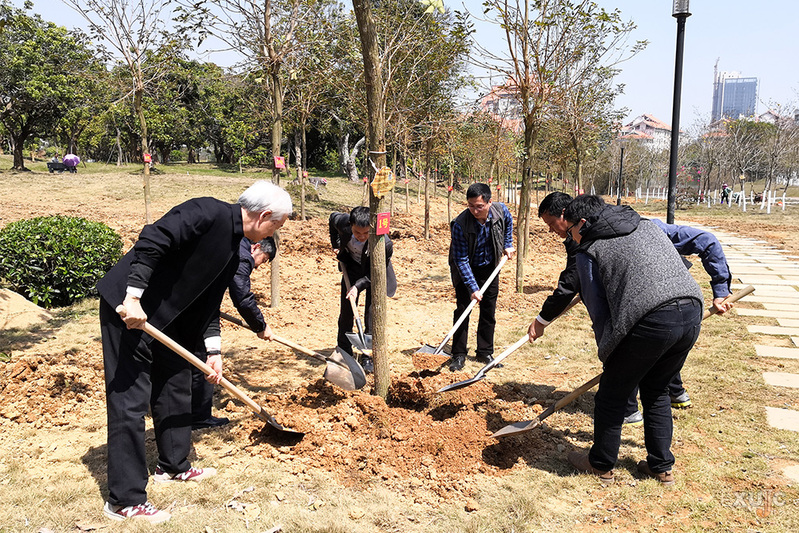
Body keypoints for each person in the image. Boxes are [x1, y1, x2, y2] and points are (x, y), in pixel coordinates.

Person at [96, 180, 292, 523]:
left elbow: (208, 304)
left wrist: (212, 352)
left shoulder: (237, 248)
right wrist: (133, 296)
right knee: (130, 399)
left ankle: (173, 465)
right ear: (263, 216)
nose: (276, 232)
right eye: (278, 225)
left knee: (176, 384)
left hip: (170, 318)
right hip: (129, 311)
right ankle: (124, 500)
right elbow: (152, 239)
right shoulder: (207, 211)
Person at [547, 195, 721, 485]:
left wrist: (609, 357)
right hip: (691, 309)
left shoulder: (589, 248)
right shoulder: (647, 226)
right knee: (657, 390)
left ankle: (600, 463)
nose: (569, 236)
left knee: (612, 395)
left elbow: (598, 310)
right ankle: (661, 466)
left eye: (571, 229)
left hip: (650, 318)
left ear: (583, 223)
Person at [531, 193, 733, 422]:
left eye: (551, 224)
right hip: (679, 309)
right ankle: (675, 393)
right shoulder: (635, 224)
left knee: (633, 346)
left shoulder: (605, 237)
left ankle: (627, 409)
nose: (551, 231)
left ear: (567, 215)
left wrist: (721, 288)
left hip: (648, 303)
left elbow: (574, 288)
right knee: (661, 344)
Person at [191, 236, 276, 430]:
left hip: (195, 300)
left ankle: (193, 412)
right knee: (204, 356)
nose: (257, 267)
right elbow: (243, 297)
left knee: (196, 356)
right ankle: (198, 416)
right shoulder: (243, 256)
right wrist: (260, 326)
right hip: (197, 306)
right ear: (256, 247)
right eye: (262, 260)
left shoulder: (233, 244)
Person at [448, 183, 514, 371]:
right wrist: (472, 288)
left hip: (490, 267)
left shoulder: (501, 211)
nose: (475, 210)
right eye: (470, 206)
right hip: (465, 269)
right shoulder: (460, 224)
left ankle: (484, 351)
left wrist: (507, 244)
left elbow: (508, 224)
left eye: (479, 206)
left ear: (489, 202)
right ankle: (458, 354)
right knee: (463, 309)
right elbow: (460, 259)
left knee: (488, 310)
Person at [329, 206, 397, 373]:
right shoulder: (343, 222)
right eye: (357, 233)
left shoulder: (384, 244)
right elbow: (332, 218)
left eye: (366, 234)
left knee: (371, 313)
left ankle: (368, 356)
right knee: (346, 312)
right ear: (351, 225)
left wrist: (357, 287)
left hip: (374, 273)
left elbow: (375, 273)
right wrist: (336, 244)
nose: (361, 237)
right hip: (351, 267)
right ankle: (344, 351)